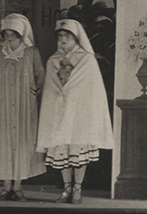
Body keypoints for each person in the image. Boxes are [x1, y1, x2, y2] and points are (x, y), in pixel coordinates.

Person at [36, 19, 115, 204]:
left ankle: (78, 188)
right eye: (60, 36)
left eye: (67, 36)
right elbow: (50, 91)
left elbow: (92, 90)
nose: (63, 40)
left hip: (80, 113)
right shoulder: (53, 60)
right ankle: (66, 189)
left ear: (76, 38)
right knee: (61, 149)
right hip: (60, 113)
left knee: (78, 149)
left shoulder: (87, 59)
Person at [0, 14, 46, 201]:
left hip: (24, 104)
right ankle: (5, 186)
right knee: (4, 142)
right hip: (3, 103)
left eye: (14, 34)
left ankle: (18, 186)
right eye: (7, 34)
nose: (10, 38)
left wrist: (32, 93)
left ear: (22, 35)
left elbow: (40, 77)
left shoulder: (31, 52)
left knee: (22, 142)